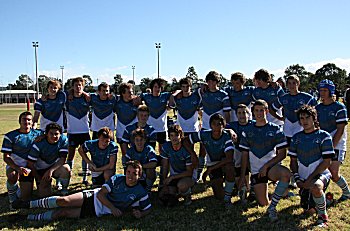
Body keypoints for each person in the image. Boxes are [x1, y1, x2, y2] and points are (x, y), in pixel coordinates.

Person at [12, 161, 151, 221]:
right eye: (129, 172)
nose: (131, 176)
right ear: (125, 172)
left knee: (62, 213)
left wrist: (141, 214)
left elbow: (148, 209)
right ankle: (28, 205)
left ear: (140, 176)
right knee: (63, 201)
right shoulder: (117, 179)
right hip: (94, 197)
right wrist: (113, 208)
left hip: (98, 211)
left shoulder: (141, 191)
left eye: (135, 173)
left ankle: (27, 218)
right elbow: (102, 194)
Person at [238, 99, 291, 221]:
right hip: (256, 171)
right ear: (253, 112)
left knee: (286, 174)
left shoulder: (276, 129)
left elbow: (282, 154)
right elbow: (244, 156)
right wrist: (242, 176)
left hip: (271, 168)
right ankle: (279, 193)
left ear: (266, 111)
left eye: (262, 110)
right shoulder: (247, 131)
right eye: (256, 110)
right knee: (263, 203)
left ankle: (274, 205)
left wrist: (266, 166)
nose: (259, 113)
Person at [289, 105, 333, 227]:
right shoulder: (296, 137)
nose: (304, 121)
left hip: (321, 174)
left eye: (307, 117)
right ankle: (327, 200)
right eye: (301, 118)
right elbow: (292, 161)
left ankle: (322, 217)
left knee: (316, 187)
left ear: (314, 118)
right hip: (303, 177)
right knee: (309, 211)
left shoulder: (324, 136)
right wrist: (297, 178)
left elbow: (327, 162)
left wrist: (311, 178)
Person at [185, 113, 235, 207]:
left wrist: (210, 169)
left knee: (229, 168)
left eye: (219, 124)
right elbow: (186, 140)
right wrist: (193, 154)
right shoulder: (204, 134)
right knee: (219, 195)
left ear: (223, 126)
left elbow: (229, 159)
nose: (216, 127)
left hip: (223, 164)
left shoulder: (227, 136)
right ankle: (223, 186)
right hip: (213, 164)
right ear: (210, 125)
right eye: (214, 124)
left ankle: (228, 198)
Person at [316, 79, 350, 202]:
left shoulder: (339, 107)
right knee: (321, 171)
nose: (322, 93)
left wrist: (331, 147)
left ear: (331, 92)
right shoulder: (317, 108)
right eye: (320, 90)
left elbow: (340, 130)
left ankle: (347, 192)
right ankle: (319, 196)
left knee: (334, 172)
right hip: (322, 144)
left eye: (325, 90)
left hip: (337, 144)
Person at [1, 111, 42, 209]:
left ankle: (20, 191)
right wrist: (18, 168)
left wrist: (44, 136)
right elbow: (6, 157)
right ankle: (12, 199)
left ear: (32, 122)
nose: (26, 122)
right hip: (17, 166)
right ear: (19, 121)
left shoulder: (39, 133)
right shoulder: (10, 136)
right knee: (12, 175)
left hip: (32, 167)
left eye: (29, 120)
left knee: (26, 197)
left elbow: (52, 134)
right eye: (24, 119)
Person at [197, 71, 231, 181]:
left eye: (214, 81)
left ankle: (220, 172)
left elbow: (227, 113)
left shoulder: (223, 95)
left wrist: (226, 126)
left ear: (218, 82)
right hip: (206, 127)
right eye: (209, 81)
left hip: (219, 127)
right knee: (203, 149)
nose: (211, 83)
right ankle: (198, 173)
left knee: (221, 150)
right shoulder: (203, 93)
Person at [27, 123, 71, 197]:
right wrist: (38, 178)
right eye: (51, 133)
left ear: (60, 134)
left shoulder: (64, 140)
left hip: (52, 167)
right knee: (44, 196)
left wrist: (50, 171)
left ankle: (64, 190)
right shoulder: (39, 144)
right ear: (46, 134)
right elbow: (30, 164)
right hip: (39, 169)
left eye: (56, 134)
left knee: (66, 168)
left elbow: (62, 159)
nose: (54, 136)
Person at [271, 75, 317, 143]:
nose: (291, 85)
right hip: (288, 127)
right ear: (286, 85)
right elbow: (272, 109)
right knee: (289, 150)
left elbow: (316, 110)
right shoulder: (283, 98)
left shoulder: (307, 98)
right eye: (289, 83)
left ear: (298, 84)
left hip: (301, 127)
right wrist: (280, 118)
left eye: (294, 83)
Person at [160, 125, 195, 206]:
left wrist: (172, 177)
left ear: (180, 135)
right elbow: (165, 166)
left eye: (176, 135)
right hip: (175, 175)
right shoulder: (166, 147)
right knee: (163, 195)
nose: (174, 138)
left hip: (188, 176)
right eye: (171, 135)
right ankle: (178, 192)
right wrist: (164, 182)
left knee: (181, 185)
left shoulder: (185, 149)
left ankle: (188, 194)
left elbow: (189, 172)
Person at [65, 77, 91, 185]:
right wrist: (70, 92)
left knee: (85, 155)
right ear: (72, 86)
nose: (78, 87)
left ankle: (85, 179)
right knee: (70, 156)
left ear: (83, 86)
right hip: (72, 132)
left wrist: (84, 93)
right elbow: (60, 93)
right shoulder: (68, 98)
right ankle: (67, 178)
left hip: (84, 132)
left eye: (80, 85)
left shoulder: (88, 98)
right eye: (76, 85)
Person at [226, 104, 253, 202]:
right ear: (236, 115)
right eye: (239, 113)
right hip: (238, 151)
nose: (242, 115)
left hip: (252, 152)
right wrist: (230, 130)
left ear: (249, 114)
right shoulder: (233, 125)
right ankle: (242, 187)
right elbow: (221, 127)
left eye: (244, 112)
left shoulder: (253, 124)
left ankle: (251, 186)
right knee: (237, 158)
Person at [138, 78, 173, 154]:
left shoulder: (165, 95)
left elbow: (175, 94)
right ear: (152, 88)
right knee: (150, 150)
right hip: (150, 129)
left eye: (159, 87)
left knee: (163, 151)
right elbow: (137, 99)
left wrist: (170, 106)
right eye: (155, 87)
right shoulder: (146, 96)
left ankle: (163, 165)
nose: (157, 89)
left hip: (162, 128)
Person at [125, 128, 157, 193]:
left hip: (145, 171)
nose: (139, 142)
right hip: (135, 172)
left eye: (141, 140)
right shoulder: (130, 150)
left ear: (145, 140)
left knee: (150, 170)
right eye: (137, 140)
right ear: (134, 141)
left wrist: (140, 166)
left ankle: (148, 189)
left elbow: (154, 163)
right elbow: (126, 164)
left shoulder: (148, 149)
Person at [113, 83, 138, 155]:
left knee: (135, 152)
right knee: (124, 153)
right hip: (121, 131)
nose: (132, 94)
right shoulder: (117, 102)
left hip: (134, 131)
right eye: (129, 92)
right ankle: (126, 166)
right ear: (123, 93)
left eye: (132, 92)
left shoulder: (136, 102)